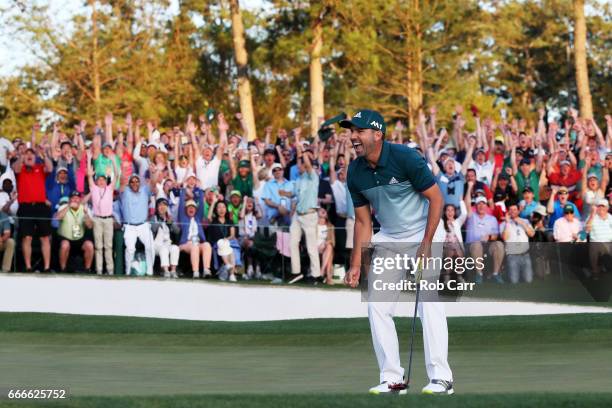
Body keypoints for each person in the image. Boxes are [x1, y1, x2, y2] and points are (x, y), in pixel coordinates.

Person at [342, 109, 454, 395]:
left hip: (424, 231)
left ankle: (442, 378)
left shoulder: (405, 157)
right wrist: (356, 263)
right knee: (377, 305)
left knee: (429, 304)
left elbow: (436, 199)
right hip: (390, 236)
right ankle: (392, 379)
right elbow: (364, 221)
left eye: (359, 131)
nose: (353, 136)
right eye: (351, 131)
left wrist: (427, 243)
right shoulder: (355, 171)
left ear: (377, 135)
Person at [13, 145, 54, 273]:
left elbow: (50, 168)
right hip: (26, 206)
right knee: (27, 237)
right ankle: (28, 266)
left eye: (32, 154)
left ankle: (47, 267)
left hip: (41, 206)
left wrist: (44, 155)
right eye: (27, 154)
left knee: (45, 237)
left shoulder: (40, 167)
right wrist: (22, 156)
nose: (30, 156)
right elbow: (16, 168)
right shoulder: (21, 169)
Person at [289, 144, 321, 284]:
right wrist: (284, 194)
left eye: (300, 164)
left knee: (311, 247)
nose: (298, 166)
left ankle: (316, 275)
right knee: (292, 243)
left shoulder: (313, 176)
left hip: (309, 216)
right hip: (297, 215)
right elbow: (294, 195)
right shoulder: (299, 179)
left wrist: (302, 150)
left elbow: (307, 163)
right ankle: (296, 273)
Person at [464, 192, 505, 284]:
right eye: (479, 203)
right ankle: (479, 274)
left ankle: (496, 273)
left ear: (486, 206)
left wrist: (489, 236)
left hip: (487, 245)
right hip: (472, 245)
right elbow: (467, 204)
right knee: (477, 245)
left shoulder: (492, 219)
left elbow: (495, 235)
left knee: (499, 244)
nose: (481, 206)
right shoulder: (471, 217)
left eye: (483, 203)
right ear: (475, 206)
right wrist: (470, 187)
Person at [120, 174, 156, 276]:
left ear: (140, 183)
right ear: (129, 183)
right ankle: (128, 272)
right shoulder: (126, 192)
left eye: (137, 181)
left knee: (150, 246)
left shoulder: (144, 190)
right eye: (132, 182)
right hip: (129, 226)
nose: (135, 183)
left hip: (143, 225)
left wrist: (154, 172)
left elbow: (153, 183)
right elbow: (122, 183)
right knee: (130, 249)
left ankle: (150, 271)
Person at [87, 160, 115, 275]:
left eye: (103, 179)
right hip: (97, 219)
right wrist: (89, 160)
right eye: (99, 179)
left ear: (106, 181)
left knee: (108, 246)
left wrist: (113, 162)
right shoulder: (94, 189)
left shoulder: (109, 189)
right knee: (98, 246)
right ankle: (99, 270)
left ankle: (110, 270)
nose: (101, 181)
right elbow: (89, 176)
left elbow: (117, 175)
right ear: (96, 181)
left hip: (108, 219)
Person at [54, 191, 94, 273]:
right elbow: (57, 218)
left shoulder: (84, 208)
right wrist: (68, 206)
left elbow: (90, 226)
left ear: (80, 200)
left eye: (77, 198)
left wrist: (86, 215)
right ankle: (63, 269)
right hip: (65, 237)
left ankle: (87, 270)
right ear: (69, 199)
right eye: (73, 198)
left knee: (89, 245)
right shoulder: (64, 207)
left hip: (79, 238)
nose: (75, 200)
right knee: (65, 244)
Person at [501, 202, 535, 284]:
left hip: (525, 254)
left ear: (518, 211)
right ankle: (511, 272)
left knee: (528, 280)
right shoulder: (504, 223)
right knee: (514, 281)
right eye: (511, 210)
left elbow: (532, 234)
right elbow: (505, 238)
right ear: (508, 211)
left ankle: (524, 272)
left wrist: (522, 223)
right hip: (512, 255)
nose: (513, 211)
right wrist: (508, 222)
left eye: (515, 209)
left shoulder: (525, 221)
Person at [178, 199, 212, 278]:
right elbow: (180, 206)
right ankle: (195, 271)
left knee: (207, 245)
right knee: (194, 246)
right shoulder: (183, 218)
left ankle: (206, 270)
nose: (191, 208)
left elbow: (202, 205)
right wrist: (184, 189)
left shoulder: (198, 218)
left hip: (198, 242)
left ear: (196, 210)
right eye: (189, 207)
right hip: (187, 243)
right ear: (185, 209)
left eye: (193, 207)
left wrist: (199, 189)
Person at [149, 197, 180, 278]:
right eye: (160, 205)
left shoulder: (169, 218)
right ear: (157, 207)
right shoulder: (153, 217)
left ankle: (173, 270)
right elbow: (153, 228)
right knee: (164, 249)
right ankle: (166, 270)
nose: (162, 207)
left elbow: (177, 231)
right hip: (156, 244)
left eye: (164, 205)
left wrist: (171, 223)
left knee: (175, 248)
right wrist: (160, 220)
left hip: (168, 243)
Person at [584, 199, 612, 279]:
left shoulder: (611, 218)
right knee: (594, 246)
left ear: (607, 208)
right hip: (596, 243)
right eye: (599, 206)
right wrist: (592, 215)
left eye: (603, 206)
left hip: (609, 243)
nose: (600, 208)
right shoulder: (592, 217)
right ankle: (595, 271)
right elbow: (587, 230)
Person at [316, 207, 335, 285]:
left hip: (325, 247)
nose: (323, 211)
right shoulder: (313, 225)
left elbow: (333, 241)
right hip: (315, 247)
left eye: (324, 211)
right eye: (321, 210)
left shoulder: (330, 226)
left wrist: (325, 243)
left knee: (329, 247)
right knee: (329, 254)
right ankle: (328, 278)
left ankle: (322, 271)